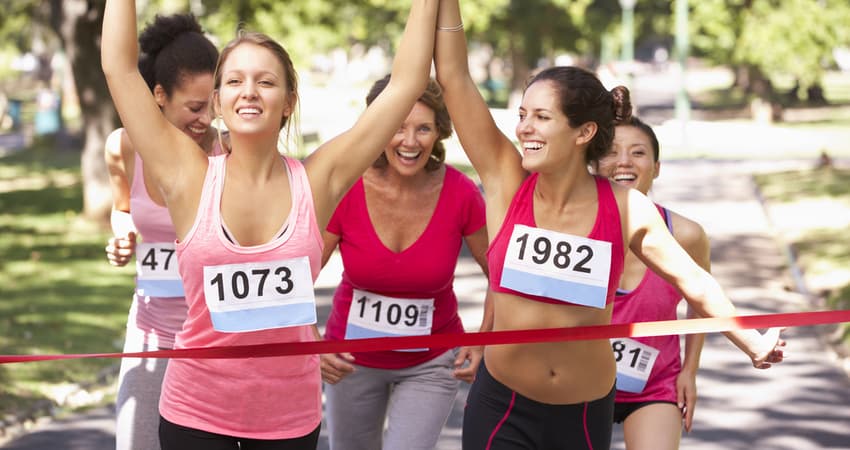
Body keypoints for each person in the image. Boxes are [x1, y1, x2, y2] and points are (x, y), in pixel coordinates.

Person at [433, 1, 785, 449]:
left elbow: (695, 281)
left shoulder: (625, 208)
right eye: (523, 115)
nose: (524, 129)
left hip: (581, 412)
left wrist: (750, 342)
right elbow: (454, 77)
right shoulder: (505, 181)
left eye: (541, 117)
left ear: (582, 133)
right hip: (503, 404)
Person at [101, 0, 439, 448]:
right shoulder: (189, 175)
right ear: (218, 101)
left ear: (288, 102)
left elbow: (406, 85)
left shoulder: (319, 181)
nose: (250, 91)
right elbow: (120, 69)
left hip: (289, 420)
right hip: (195, 411)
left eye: (266, 81)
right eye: (235, 81)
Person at [319, 75, 492, 450]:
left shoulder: (461, 193)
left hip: (431, 362)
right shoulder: (347, 187)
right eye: (397, 127)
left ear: (439, 132)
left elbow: (500, 273)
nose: (410, 142)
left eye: (423, 128)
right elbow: (300, 272)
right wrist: (310, 340)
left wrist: (482, 342)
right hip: (350, 360)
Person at [102, 13, 219, 450]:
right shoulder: (124, 147)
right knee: (136, 441)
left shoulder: (229, 154)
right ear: (158, 95)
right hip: (151, 325)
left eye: (213, 105)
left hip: (215, 333)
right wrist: (122, 235)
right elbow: (123, 209)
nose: (206, 119)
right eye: (194, 107)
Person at [595, 117, 707, 449]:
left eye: (638, 152)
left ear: (656, 167)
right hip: (578, 385)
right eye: (611, 152)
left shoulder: (686, 235)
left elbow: (701, 303)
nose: (624, 161)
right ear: (592, 163)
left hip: (653, 386)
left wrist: (690, 370)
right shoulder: (571, 231)